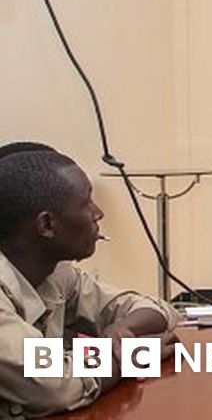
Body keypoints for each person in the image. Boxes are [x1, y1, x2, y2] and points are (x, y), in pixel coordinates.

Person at [0, 150, 180, 418]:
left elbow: (154, 309)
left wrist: (121, 330)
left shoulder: (56, 273)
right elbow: (54, 385)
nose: (99, 213)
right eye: (86, 203)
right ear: (47, 224)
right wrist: (131, 356)